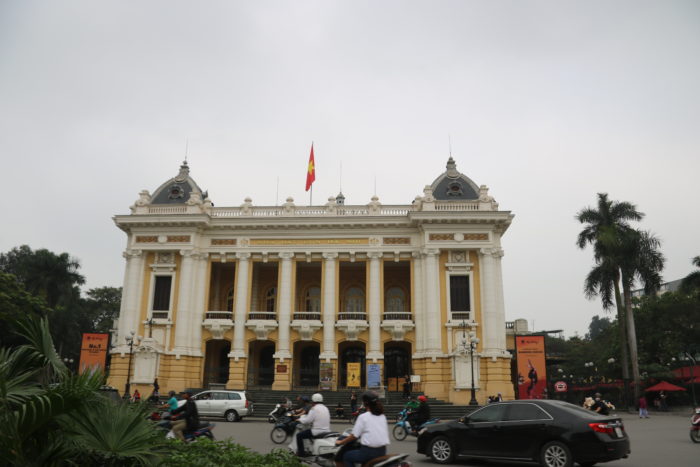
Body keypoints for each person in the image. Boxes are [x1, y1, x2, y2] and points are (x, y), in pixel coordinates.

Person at [335, 391, 390, 467]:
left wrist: (341, 442)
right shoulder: (382, 416)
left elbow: (354, 436)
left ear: (365, 403)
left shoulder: (363, 417)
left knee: (347, 456)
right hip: (382, 451)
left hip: (368, 452)